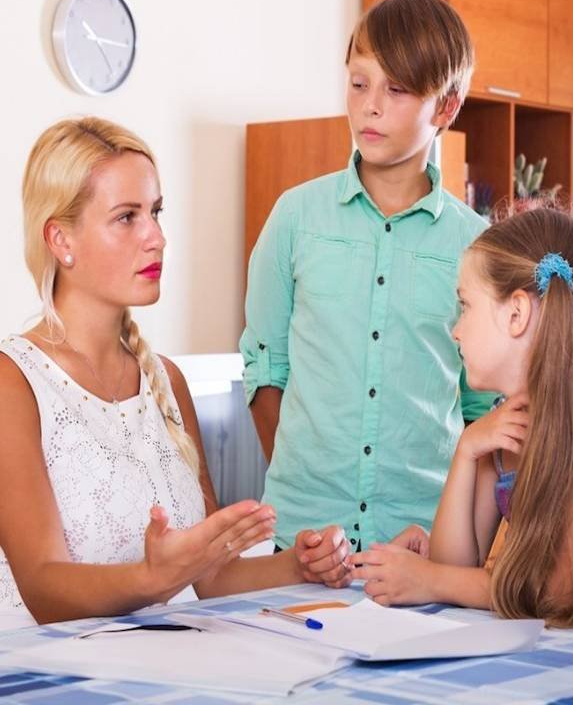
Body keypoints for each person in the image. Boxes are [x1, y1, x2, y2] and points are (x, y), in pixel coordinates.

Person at [0, 117, 349, 626]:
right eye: (126, 217)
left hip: (169, 667)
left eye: (156, 212)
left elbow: (211, 578)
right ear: (60, 239)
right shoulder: (14, 381)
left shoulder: (165, 380)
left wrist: (299, 566)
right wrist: (153, 578)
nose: (156, 238)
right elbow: (43, 587)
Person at [241, 0, 495, 555]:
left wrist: (458, 538)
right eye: (359, 84)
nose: (370, 107)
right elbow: (266, 370)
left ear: (447, 108)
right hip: (301, 542)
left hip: (425, 541)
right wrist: (305, 500)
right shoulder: (294, 218)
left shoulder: (477, 246)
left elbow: (482, 410)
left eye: (397, 89)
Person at [351, 207, 573, 626]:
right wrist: (467, 449)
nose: (455, 330)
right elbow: (453, 562)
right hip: (551, 649)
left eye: (465, 306)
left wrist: (430, 582)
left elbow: (558, 593)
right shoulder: (503, 424)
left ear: (516, 314)